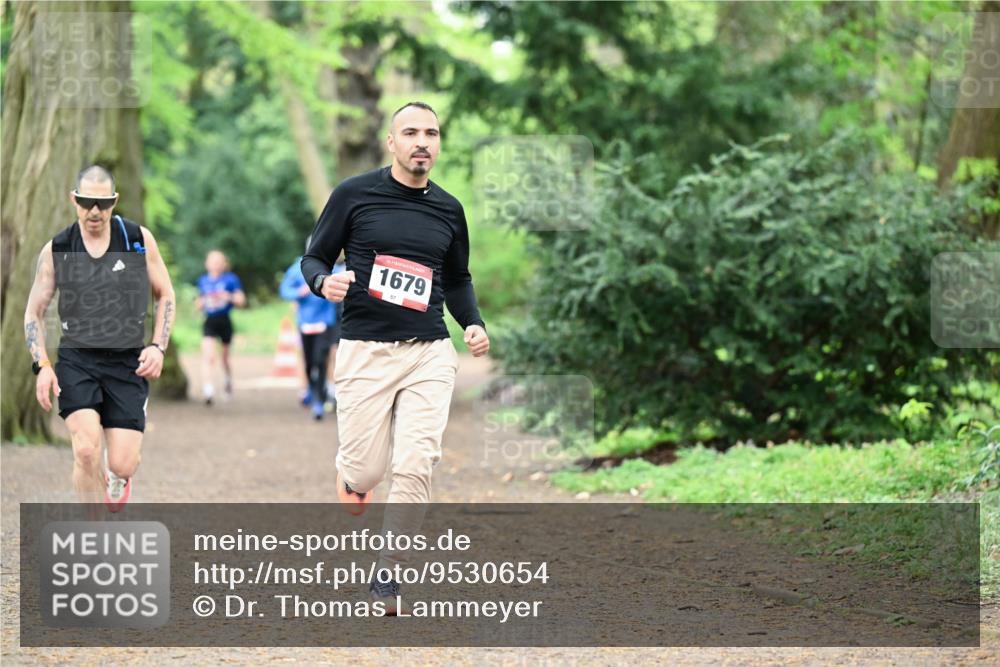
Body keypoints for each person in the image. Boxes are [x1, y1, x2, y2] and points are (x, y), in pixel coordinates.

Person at [302, 101, 490, 613]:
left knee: (416, 462)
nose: (422, 141)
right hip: (366, 348)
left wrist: (471, 322)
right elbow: (314, 255)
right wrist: (324, 281)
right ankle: (350, 478)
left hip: (429, 350)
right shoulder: (354, 195)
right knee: (367, 473)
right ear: (392, 142)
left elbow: (457, 278)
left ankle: (389, 573)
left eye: (431, 133)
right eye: (410, 132)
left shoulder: (449, 209)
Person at [23, 165, 175, 512]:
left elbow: (165, 294)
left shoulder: (137, 240)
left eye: (102, 203)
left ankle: (118, 476)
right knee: (86, 449)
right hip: (78, 359)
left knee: (122, 462)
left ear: (114, 201)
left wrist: (158, 346)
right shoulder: (58, 248)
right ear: (74, 199)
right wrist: (42, 364)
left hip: (127, 362)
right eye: (87, 201)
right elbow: (33, 311)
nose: (94, 211)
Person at [279, 240, 344, 421]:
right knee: (309, 363)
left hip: (326, 322)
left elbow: (345, 278)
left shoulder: (333, 267)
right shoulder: (298, 267)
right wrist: (299, 293)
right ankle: (312, 390)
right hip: (305, 322)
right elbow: (284, 290)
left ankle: (319, 401)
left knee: (321, 359)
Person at [195, 250, 245, 405]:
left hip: (225, 321)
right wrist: (201, 302)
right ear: (207, 264)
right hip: (209, 321)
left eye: (218, 262)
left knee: (224, 358)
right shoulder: (203, 281)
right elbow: (198, 304)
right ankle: (208, 389)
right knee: (208, 356)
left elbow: (241, 300)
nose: (215, 265)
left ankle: (228, 380)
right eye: (212, 261)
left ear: (224, 264)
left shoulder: (231, 279)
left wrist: (227, 297)